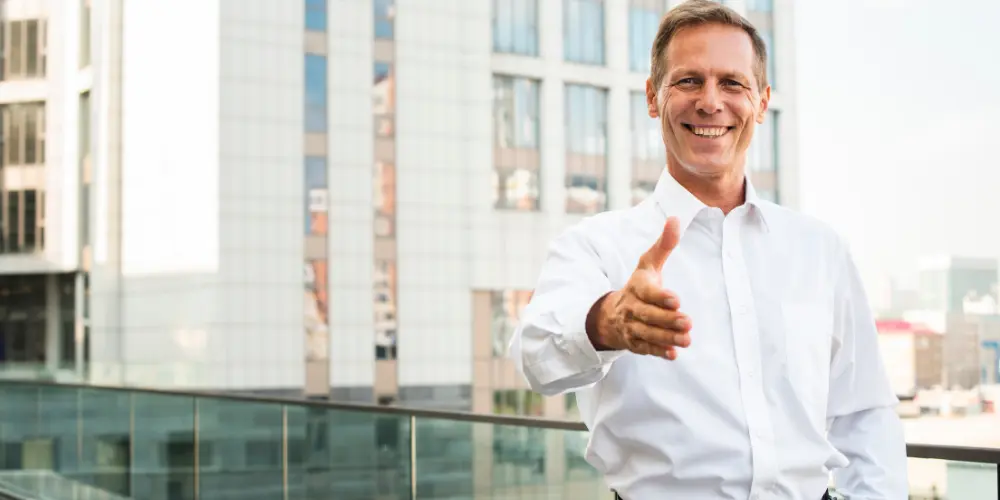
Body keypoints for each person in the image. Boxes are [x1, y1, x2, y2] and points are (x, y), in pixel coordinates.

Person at [507, 1, 908, 499]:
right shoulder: (595, 245)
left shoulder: (820, 249)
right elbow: (533, 356)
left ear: (762, 102)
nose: (710, 102)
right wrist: (607, 322)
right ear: (653, 97)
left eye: (732, 83)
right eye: (689, 81)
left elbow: (864, 411)